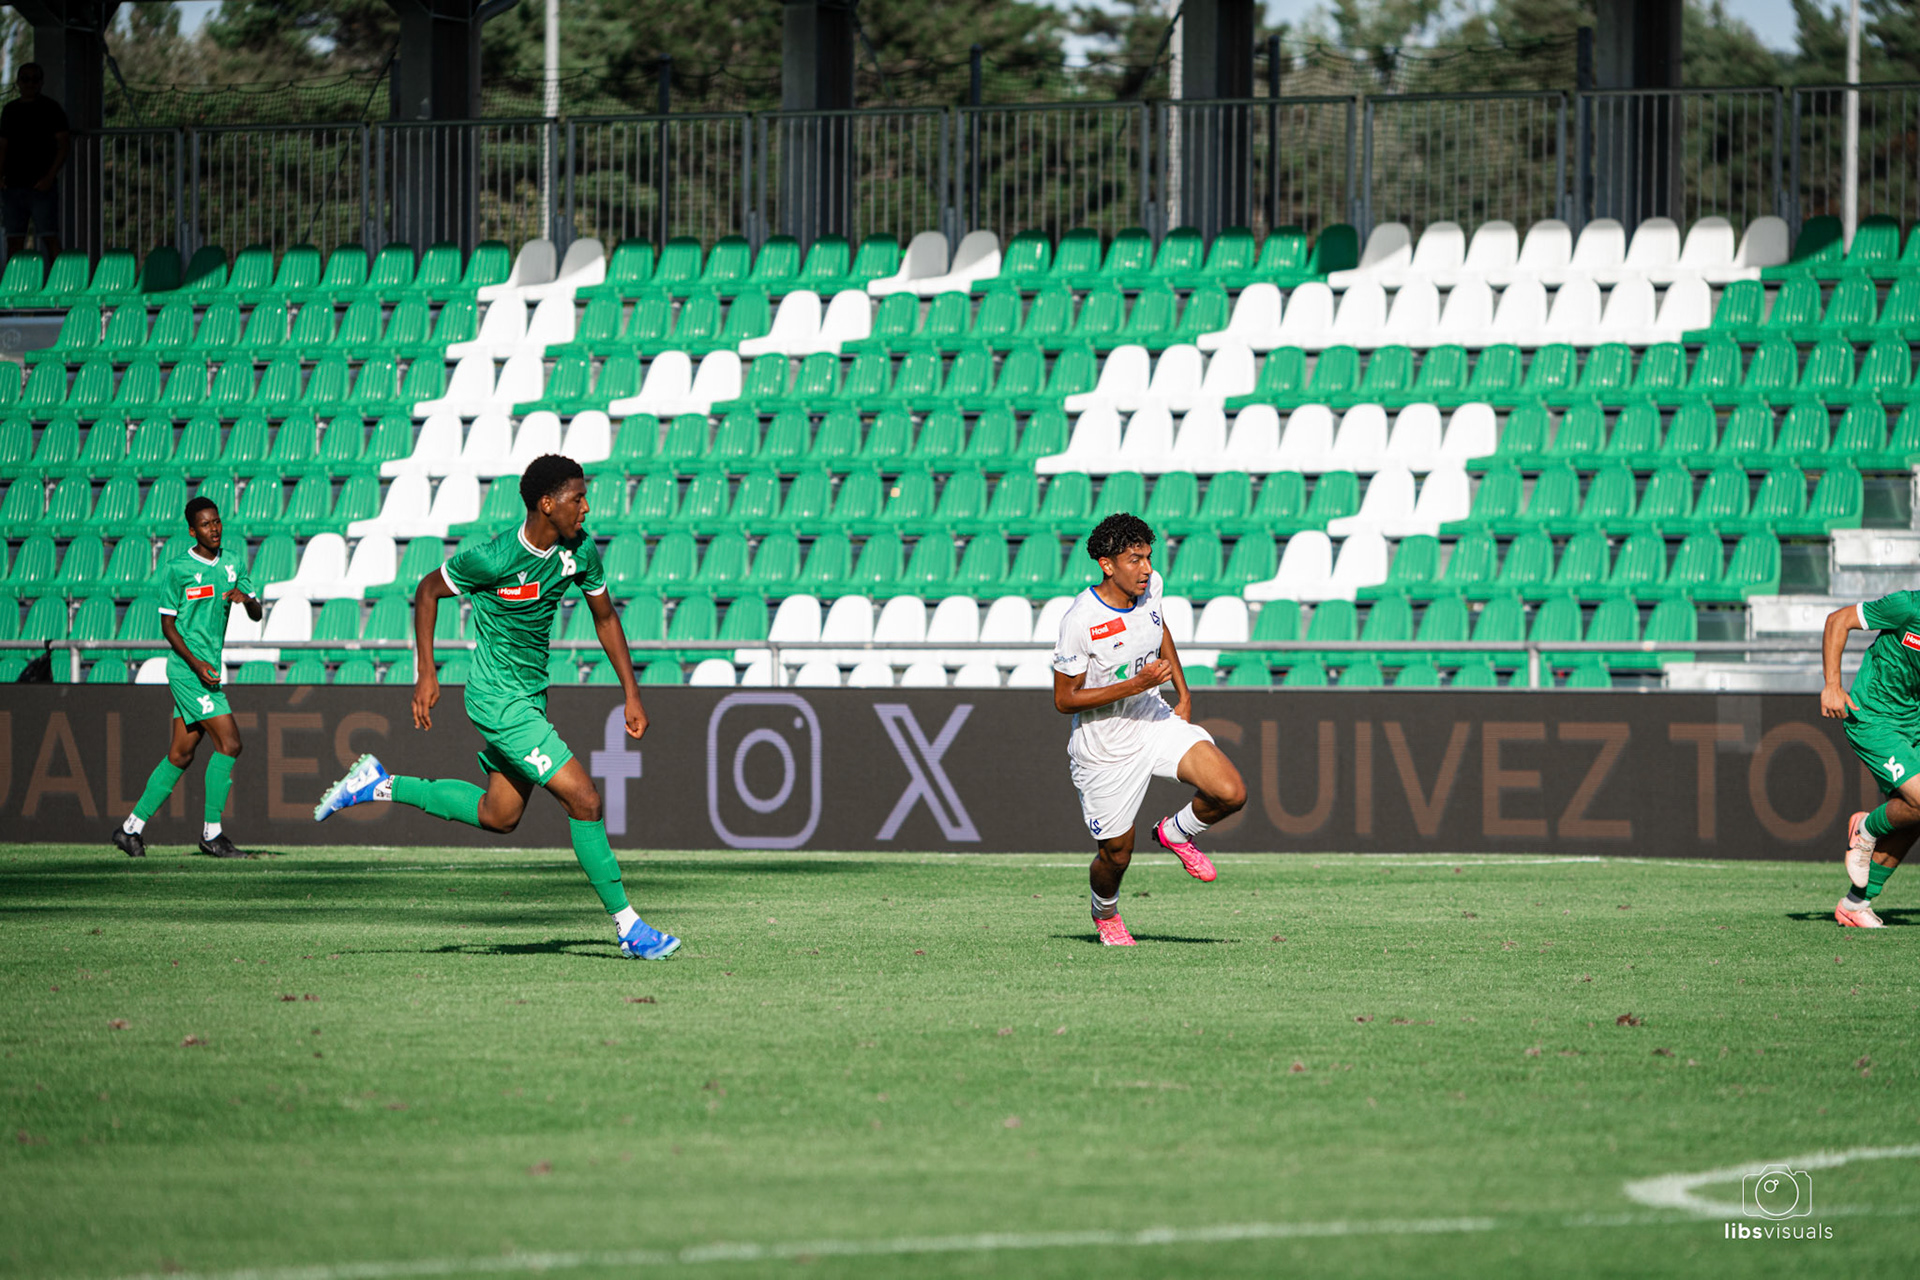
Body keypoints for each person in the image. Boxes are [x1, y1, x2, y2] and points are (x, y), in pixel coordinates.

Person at [313, 454, 680, 960]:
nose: (587, 507)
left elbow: (605, 617)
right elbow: (427, 590)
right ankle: (629, 926)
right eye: (578, 498)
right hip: (496, 699)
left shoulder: (580, 553)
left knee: (499, 815)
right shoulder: (493, 559)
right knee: (586, 800)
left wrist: (631, 693)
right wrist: (427, 671)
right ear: (547, 504)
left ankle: (377, 784)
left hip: (530, 696)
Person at [1051, 513, 1247, 946]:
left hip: (1152, 717)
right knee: (1116, 855)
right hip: (1104, 746)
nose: (1146, 568)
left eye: (1148, 557)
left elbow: (1160, 631)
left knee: (1230, 791)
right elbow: (1064, 700)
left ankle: (1176, 832)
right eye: (1134, 559)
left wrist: (1183, 690)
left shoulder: (1149, 590)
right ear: (1107, 565)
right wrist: (1135, 683)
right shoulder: (1080, 621)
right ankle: (1105, 913)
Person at [111, 496, 261, 859]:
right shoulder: (178, 569)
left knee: (180, 755)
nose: (214, 529)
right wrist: (195, 664)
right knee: (230, 743)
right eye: (206, 524)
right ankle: (212, 834)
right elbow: (167, 624)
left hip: (207, 668)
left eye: (218, 522)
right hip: (188, 670)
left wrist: (246, 600)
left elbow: (257, 613)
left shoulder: (232, 563)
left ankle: (130, 829)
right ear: (192, 530)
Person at [1822, 593, 1920, 927]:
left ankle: (1855, 903)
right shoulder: (1907, 607)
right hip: (1873, 718)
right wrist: (1832, 686)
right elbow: (1838, 620)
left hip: (1913, 724)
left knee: (1914, 814)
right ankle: (1865, 828)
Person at [0, 63, 70, 261]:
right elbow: (3, 146)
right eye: (25, 79)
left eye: (34, 79)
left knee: (49, 236)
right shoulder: (9, 110)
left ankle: (61, 282)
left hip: (41, 187)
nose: (30, 83)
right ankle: (13, 285)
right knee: (14, 239)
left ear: (41, 82)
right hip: (12, 185)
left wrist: (49, 177)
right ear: (18, 82)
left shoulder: (51, 109)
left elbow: (64, 145)